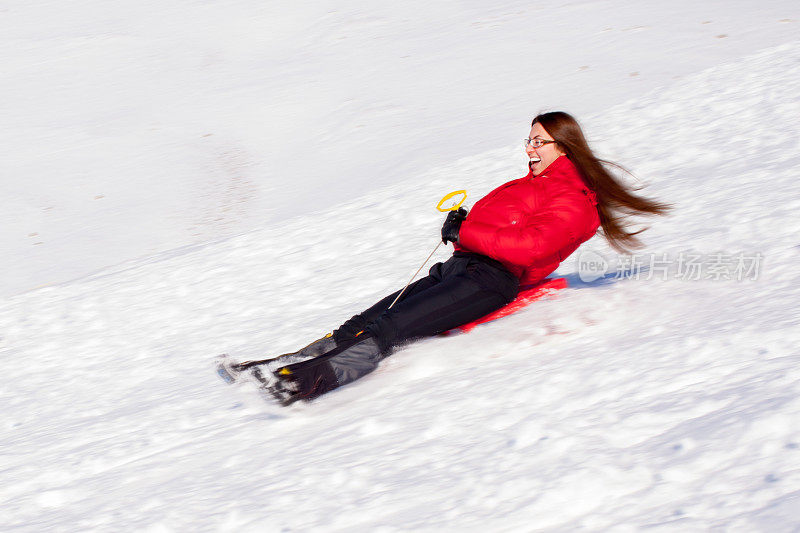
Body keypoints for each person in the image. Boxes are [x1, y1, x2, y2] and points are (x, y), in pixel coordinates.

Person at [266, 111, 669, 404]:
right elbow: (506, 225)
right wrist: (463, 224)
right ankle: (279, 366)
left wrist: (467, 231)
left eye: (538, 141)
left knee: (390, 327)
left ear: (565, 147)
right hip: (460, 269)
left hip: (489, 281)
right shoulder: (532, 185)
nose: (529, 149)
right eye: (528, 140)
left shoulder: (575, 199)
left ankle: (302, 383)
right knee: (365, 320)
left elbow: (532, 245)